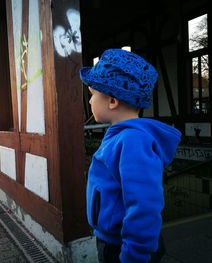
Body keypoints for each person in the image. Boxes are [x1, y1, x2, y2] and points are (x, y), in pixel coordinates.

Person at [80, 49, 181, 263]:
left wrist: (133, 256)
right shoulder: (120, 136)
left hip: (124, 248)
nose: (90, 102)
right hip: (112, 240)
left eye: (92, 94)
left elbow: (144, 205)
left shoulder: (133, 141)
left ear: (113, 101)